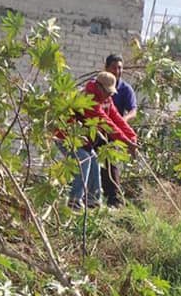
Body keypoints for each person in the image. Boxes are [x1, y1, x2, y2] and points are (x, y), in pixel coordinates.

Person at [56, 70, 137, 209]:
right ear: (99, 87)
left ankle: (93, 201)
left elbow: (116, 118)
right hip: (67, 136)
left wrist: (132, 137)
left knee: (93, 160)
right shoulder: (89, 99)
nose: (110, 94)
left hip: (83, 139)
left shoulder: (106, 98)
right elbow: (108, 125)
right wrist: (127, 143)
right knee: (84, 159)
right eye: (108, 91)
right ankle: (74, 201)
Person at [102, 53, 137, 207]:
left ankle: (114, 200)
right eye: (114, 67)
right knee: (93, 162)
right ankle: (92, 196)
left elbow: (132, 111)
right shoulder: (98, 85)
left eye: (120, 68)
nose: (117, 71)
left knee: (110, 162)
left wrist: (123, 122)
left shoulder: (125, 89)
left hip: (113, 131)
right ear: (106, 68)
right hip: (95, 128)